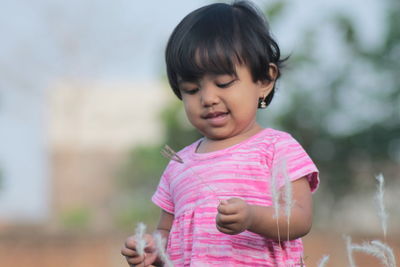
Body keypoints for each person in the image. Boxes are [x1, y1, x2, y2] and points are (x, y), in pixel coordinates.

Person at [121, 1, 319, 266]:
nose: (208, 98)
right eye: (191, 89)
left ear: (264, 81)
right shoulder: (179, 165)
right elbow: (167, 232)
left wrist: (252, 217)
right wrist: (152, 248)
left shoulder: (277, 148)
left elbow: (300, 218)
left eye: (223, 83)